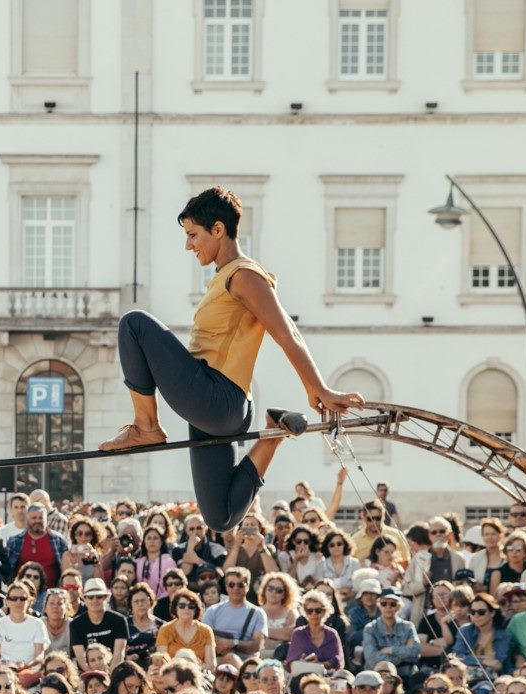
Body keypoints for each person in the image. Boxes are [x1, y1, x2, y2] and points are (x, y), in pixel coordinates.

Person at [98, 186, 363, 531]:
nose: (188, 245)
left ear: (218, 229)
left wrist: (319, 388)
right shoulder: (224, 278)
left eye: (193, 235)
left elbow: (286, 332)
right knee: (221, 516)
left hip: (217, 398)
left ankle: (147, 426)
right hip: (215, 407)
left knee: (134, 324)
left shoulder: (245, 275)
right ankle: (272, 434)